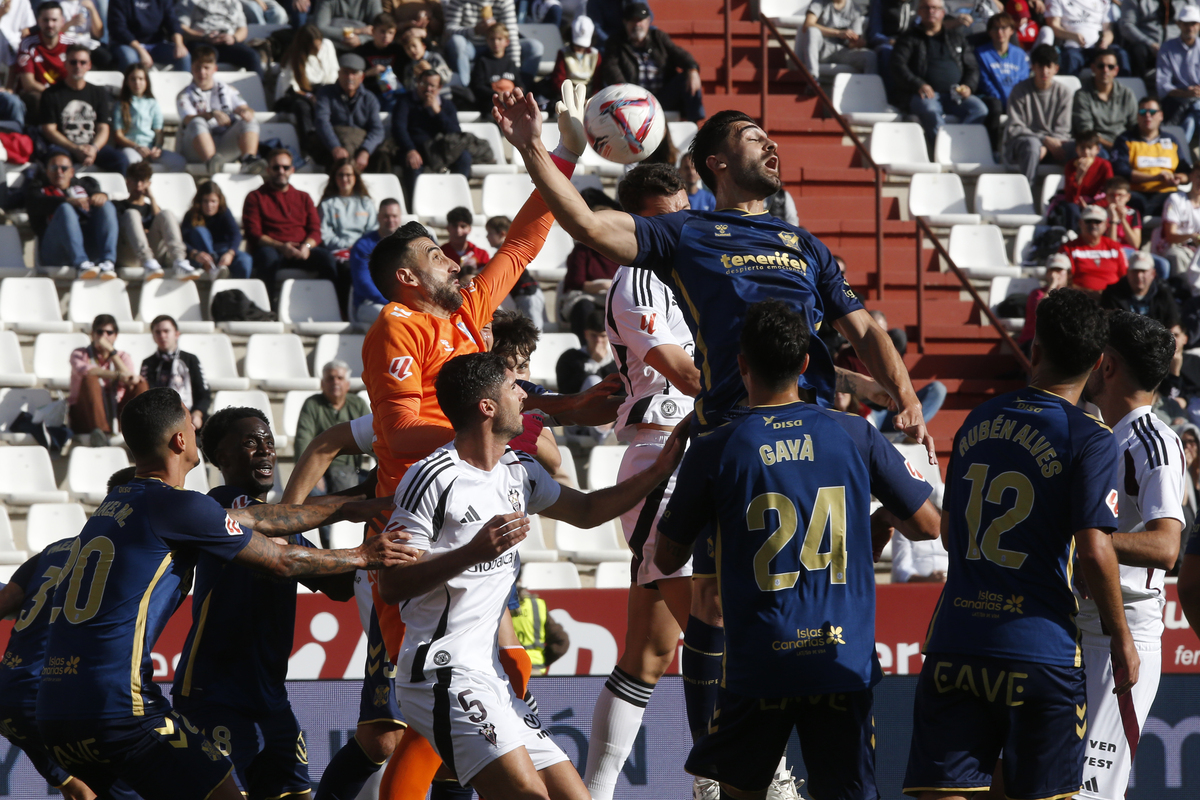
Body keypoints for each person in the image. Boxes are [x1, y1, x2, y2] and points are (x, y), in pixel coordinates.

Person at [359, 90, 622, 800]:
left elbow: (525, 242)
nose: (453, 258)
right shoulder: (397, 325)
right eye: (436, 256)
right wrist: (500, 428)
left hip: (481, 503)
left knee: (499, 676)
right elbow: (395, 432)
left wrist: (559, 150)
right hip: (418, 529)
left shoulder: (468, 313)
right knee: (406, 717)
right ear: (409, 279)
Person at [34, 387, 413, 800]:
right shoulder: (198, 503)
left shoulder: (116, 508)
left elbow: (279, 527)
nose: (265, 449)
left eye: (268, 440)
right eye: (190, 422)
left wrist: (362, 505)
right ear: (183, 441)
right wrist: (362, 550)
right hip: (176, 700)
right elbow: (279, 552)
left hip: (64, 705)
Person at [503, 91, 933, 453]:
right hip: (734, 434)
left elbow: (867, 332)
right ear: (717, 163)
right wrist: (539, 148)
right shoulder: (685, 232)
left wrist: (905, 394)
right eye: (753, 138)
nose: (772, 147)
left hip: (813, 432)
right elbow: (588, 224)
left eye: (769, 139)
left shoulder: (805, 245)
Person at [652, 299, 940, 800]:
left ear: (741, 365)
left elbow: (668, 557)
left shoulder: (717, 446)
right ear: (807, 364)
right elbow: (927, 524)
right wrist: (876, 519)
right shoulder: (854, 433)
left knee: (741, 792)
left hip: (758, 662)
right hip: (840, 659)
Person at [375, 350, 688, 800]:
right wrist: (474, 551)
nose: (524, 394)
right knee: (527, 796)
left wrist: (659, 470)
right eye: (512, 387)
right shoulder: (432, 477)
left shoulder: (518, 474)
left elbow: (586, 511)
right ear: (487, 407)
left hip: (491, 678)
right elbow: (391, 583)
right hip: (442, 670)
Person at [902, 288, 1137, 800]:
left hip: (957, 637)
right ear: (1100, 364)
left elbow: (948, 531)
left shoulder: (976, 421)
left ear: (1033, 349)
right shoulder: (1091, 439)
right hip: (1039, 648)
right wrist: (1122, 640)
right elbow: (1095, 550)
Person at [581, 162, 708, 800]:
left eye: (684, 207)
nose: (680, 222)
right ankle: (729, 780)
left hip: (691, 452)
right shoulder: (639, 277)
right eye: (666, 216)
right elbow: (684, 374)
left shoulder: (690, 266)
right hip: (668, 456)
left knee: (649, 651)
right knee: (717, 630)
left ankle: (596, 791)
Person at [172, 406, 359, 798]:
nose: (265, 451)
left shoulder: (277, 523)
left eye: (270, 443)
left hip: (269, 699)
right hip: (215, 696)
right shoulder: (221, 504)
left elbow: (340, 587)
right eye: (251, 443)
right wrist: (367, 497)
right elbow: (297, 552)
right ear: (221, 457)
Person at [1077, 311, 1183, 800]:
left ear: (1108, 365)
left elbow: (1166, 546)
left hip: (1120, 638)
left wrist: (1086, 540)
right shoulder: (1105, 434)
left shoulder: (1154, 439)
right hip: (1083, 626)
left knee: (1092, 792)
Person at [0, 538, 137, 800]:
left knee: (80, 791)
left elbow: (6, 600)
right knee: (128, 786)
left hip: (7, 693)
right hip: (48, 696)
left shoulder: (53, 549)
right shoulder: (118, 550)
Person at [243, 147, 339, 302]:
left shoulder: (304, 197)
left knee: (327, 259)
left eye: (285, 167)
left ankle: (331, 305)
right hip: (274, 249)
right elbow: (253, 233)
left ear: (292, 170)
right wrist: (281, 246)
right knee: (267, 258)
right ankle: (265, 308)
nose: (281, 171)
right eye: (276, 167)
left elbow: (315, 230)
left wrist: (306, 247)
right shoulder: (255, 197)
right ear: (268, 170)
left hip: (302, 249)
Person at [892, 0, 987, 145]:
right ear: (919, 12)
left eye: (935, 8)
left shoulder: (956, 38)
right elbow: (897, 66)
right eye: (926, 8)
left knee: (979, 109)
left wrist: (968, 86)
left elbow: (972, 67)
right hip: (924, 94)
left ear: (943, 13)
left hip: (955, 94)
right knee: (930, 110)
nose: (931, 11)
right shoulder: (908, 38)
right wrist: (918, 84)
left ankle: (958, 144)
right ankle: (942, 150)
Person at [598, 1, 704, 122]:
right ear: (625, 22)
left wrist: (692, 69)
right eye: (632, 20)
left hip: (663, 97)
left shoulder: (658, 37)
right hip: (633, 99)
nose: (637, 24)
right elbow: (611, 71)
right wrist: (631, 97)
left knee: (689, 77)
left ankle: (694, 126)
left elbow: (680, 54)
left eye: (641, 20)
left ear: (648, 21)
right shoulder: (615, 43)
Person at [39, 43, 128, 175]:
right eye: (73, 62)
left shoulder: (99, 93)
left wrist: (94, 148)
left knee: (120, 160)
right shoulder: (51, 94)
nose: (78, 66)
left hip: (91, 146)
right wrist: (75, 149)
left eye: (82, 62)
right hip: (63, 147)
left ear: (89, 65)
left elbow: (103, 128)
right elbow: (49, 130)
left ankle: (122, 195)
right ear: (66, 64)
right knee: (58, 164)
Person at [27, 151, 118, 279]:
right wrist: (68, 201)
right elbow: (35, 203)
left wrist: (101, 195)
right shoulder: (38, 189)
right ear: (47, 171)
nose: (59, 172)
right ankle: (81, 264)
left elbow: (116, 207)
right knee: (65, 209)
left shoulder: (85, 186)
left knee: (106, 206)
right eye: (54, 168)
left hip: (89, 247)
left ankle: (108, 262)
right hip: (55, 252)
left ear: (71, 172)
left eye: (64, 168)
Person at [178, 46, 265, 174]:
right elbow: (187, 119)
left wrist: (245, 112)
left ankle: (248, 160)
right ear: (192, 69)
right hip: (195, 148)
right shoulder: (184, 95)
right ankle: (211, 161)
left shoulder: (228, 90)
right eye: (198, 68)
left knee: (249, 121)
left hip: (223, 144)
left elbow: (244, 107)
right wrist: (211, 114)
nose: (202, 72)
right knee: (197, 122)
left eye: (206, 68)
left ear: (215, 69)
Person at [294, 360, 371, 501]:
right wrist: (311, 475)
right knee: (313, 498)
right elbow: (302, 440)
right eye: (330, 378)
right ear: (322, 384)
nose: (335, 382)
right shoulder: (312, 404)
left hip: (350, 471)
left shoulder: (358, 404)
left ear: (347, 384)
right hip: (319, 469)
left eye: (340, 378)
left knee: (382, 488)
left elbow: (374, 436)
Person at [68, 314, 148, 442]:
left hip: (117, 410)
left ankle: (141, 434)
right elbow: (86, 371)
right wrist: (116, 375)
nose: (103, 336)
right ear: (92, 334)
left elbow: (130, 379)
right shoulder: (80, 354)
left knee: (141, 384)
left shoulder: (122, 356)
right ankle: (100, 433)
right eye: (99, 332)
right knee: (91, 379)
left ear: (115, 336)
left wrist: (112, 352)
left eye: (109, 332)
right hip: (86, 413)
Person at [1003, 43, 1074, 187]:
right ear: (1033, 67)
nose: (1045, 71)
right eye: (1040, 66)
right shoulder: (1019, 91)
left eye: (1049, 66)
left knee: (1079, 148)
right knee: (1032, 145)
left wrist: (1047, 145)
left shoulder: (1064, 92)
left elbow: (1063, 129)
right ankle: (1026, 196)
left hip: (1054, 145)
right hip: (1023, 145)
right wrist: (1043, 140)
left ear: (1056, 69)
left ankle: (1074, 197)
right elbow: (1015, 127)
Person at [393, 68, 469, 202]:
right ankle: (416, 206)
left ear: (439, 88)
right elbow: (399, 128)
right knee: (413, 164)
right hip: (416, 149)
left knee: (464, 157)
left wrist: (437, 111)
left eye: (432, 86)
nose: (428, 89)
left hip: (441, 150)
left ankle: (458, 200)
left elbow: (455, 132)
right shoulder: (405, 101)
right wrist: (410, 150)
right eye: (424, 84)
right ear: (418, 83)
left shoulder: (446, 105)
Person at [1112, 95, 1192, 218]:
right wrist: (1154, 178)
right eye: (1143, 112)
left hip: (1166, 193)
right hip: (1135, 193)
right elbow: (1121, 171)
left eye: (1153, 112)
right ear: (1137, 116)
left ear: (1161, 116)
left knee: (1179, 200)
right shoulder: (1125, 140)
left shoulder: (1172, 140)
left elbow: (1186, 172)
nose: (1147, 116)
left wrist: (1179, 178)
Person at [117, 161, 195, 280]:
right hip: (128, 255)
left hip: (154, 258)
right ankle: (147, 261)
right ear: (127, 181)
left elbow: (160, 219)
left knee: (166, 214)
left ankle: (179, 261)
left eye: (142, 181)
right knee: (132, 214)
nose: (138, 185)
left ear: (149, 184)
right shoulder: (118, 205)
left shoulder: (151, 208)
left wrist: (152, 198)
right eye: (135, 180)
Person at [443, 0, 538, 88]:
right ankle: (464, 88)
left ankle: (524, 91)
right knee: (457, 41)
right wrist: (474, 30)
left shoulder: (504, 1)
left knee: (533, 47)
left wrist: (513, 71)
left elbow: (511, 35)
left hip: (497, 45)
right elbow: (449, 30)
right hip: (469, 47)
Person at [314, 52, 384, 170]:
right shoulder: (325, 93)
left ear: (361, 77)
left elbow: (377, 130)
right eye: (346, 72)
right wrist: (335, 147)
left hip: (360, 143)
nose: (350, 77)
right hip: (334, 144)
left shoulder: (369, 98)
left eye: (354, 73)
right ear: (339, 74)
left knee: (382, 157)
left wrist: (365, 151)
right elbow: (322, 122)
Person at [112, 63, 188, 171]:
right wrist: (136, 147)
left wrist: (157, 147)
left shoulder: (153, 103)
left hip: (150, 148)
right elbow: (118, 135)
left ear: (146, 81)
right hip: (131, 148)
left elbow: (158, 131)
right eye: (133, 79)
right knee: (133, 163)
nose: (137, 82)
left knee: (179, 162)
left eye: (141, 79)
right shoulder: (120, 104)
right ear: (127, 82)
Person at [141, 314, 210, 430]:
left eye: (166, 331)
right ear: (153, 336)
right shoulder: (148, 363)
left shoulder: (190, 360)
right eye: (157, 332)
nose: (162, 335)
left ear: (177, 334)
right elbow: (146, 396)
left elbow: (204, 393)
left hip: (190, 417)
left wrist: (198, 414)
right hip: (160, 422)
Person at [274, 24, 339, 144]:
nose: (319, 49)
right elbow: (291, 88)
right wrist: (309, 97)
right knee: (303, 107)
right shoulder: (294, 57)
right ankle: (309, 142)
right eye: (315, 46)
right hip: (297, 95)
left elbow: (333, 75)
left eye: (320, 45)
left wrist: (323, 94)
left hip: (322, 90)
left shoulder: (327, 46)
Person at [976, 13, 1029, 148]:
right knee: (995, 107)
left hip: (1016, 98)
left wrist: (1013, 99)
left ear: (1011, 30)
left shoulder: (1020, 55)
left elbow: (1023, 81)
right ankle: (992, 149)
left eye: (1004, 28)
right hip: (993, 98)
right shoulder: (981, 53)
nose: (1000, 32)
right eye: (995, 28)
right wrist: (1003, 99)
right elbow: (984, 81)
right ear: (989, 32)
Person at [347, 196, 404, 324]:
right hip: (370, 304)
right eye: (386, 216)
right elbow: (363, 283)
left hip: (402, 304)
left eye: (394, 216)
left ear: (400, 217)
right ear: (378, 217)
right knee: (393, 319)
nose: (390, 220)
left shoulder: (408, 244)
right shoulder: (363, 245)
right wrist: (393, 302)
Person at [15, 2, 78, 116]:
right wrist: (54, 95)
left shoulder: (71, 45)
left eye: (54, 20)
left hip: (64, 93)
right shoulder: (28, 44)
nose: (50, 24)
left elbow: (76, 76)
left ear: (62, 21)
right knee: (37, 99)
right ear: (38, 21)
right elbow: (28, 84)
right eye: (45, 20)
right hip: (39, 94)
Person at [183, 180, 253, 279]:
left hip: (222, 251)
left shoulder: (224, 212)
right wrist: (194, 254)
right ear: (199, 201)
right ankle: (213, 269)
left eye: (213, 201)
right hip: (200, 256)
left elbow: (236, 234)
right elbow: (183, 240)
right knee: (200, 231)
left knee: (245, 260)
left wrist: (230, 253)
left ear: (219, 201)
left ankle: (238, 288)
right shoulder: (191, 215)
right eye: (205, 201)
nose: (209, 206)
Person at [1073, 48, 1138, 154]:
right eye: (1101, 66)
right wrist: (1113, 147)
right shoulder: (1082, 94)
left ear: (1116, 70)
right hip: (1096, 145)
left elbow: (1135, 126)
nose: (1105, 70)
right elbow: (1086, 132)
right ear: (1093, 68)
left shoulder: (1126, 94)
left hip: (1123, 143)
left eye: (1110, 67)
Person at [177, 0, 264, 77]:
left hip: (228, 43)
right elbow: (181, 28)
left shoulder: (234, 3)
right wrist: (204, 37)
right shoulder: (189, 2)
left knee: (253, 56)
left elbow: (243, 29)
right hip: (201, 41)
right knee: (206, 57)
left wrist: (233, 38)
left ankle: (260, 91)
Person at [1044, 0, 1127, 76]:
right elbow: (1053, 25)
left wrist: (1105, 41)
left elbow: (1108, 30)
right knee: (1071, 59)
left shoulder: (1103, 1)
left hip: (1099, 48)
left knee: (1120, 54)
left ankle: (1122, 91)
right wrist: (1072, 36)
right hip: (1071, 47)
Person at [1050, 129, 1111, 231]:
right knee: (1072, 209)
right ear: (1076, 149)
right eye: (1082, 148)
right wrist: (1079, 176)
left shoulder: (1104, 165)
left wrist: (1090, 206)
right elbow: (1070, 197)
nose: (1086, 153)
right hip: (1075, 202)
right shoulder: (1071, 165)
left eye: (1090, 148)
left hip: (1096, 201)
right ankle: (1072, 238)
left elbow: (1109, 192)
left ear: (1097, 150)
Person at [1156, 6, 1200, 147]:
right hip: (1176, 102)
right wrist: (1185, 93)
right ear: (1179, 24)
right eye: (1186, 24)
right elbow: (1163, 85)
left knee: (1191, 118)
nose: (1190, 28)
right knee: (1195, 110)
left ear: (1199, 26)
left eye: (1193, 24)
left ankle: (1180, 153)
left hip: (1196, 101)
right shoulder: (1167, 48)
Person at [1100, 251, 1181, 326]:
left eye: (1143, 271)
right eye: (1135, 271)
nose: (1139, 276)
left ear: (1153, 273)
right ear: (1127, 272)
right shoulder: (1112, 294)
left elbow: (1173, 321)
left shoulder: (1163, 293)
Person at [797, 0, 876, 76]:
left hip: (841, 52)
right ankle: (812, 78)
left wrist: (857, 43)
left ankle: (867, 88)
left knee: (870, 57)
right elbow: (807, 25)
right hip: (821, 49)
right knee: (812, 31)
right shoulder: (819, 2)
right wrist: (838, 33)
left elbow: (852, 44)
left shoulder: (855, 8)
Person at [319, 158, 376, 261]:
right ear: (334, 178)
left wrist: (359, 246)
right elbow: (326, 235)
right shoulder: (327, 204)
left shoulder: (366, 202)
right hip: (338, 253)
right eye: (340, 175)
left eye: (348, 175)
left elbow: (373, 230)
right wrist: (346, 246)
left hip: (364, 251)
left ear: (355, 177)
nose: (344, 179)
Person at [108, 0, 190, 72]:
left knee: (184, 57)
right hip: (127, 44)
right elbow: (118, 29)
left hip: (155, 44)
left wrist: (179, 44)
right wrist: (140, 50)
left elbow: (173, 22)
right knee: (130, 59)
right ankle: (129, 89)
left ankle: (185, 89)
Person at [1062, 204, 1128, 291]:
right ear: (1080, 223)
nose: (1093, 225)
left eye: (1097, 221)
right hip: (1080, 299)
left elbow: (1126, 277)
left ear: (1106, 224)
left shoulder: (1115, 247)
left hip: (1112, 299)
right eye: (1088, 221)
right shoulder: (1068, 248)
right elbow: (1064, 280)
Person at [1151, 160, 1200, 276]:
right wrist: (1191, 236)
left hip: (1196, 250)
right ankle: (1184, 291)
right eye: (1199, 177)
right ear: (1191, 176)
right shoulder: (1176, 199)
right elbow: (1170, 236)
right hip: (1173, 248)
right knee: (1177, 256)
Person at [510, 587, 569, 675]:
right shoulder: (537, 605)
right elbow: (562, 641)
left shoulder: (497, 604)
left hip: (506, 667)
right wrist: (543, 658)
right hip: (534, 667)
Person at [469, 21, 524, 115]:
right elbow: (478, 86)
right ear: (487, 41)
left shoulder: (510, 63)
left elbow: (520, 85)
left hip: (511, 102)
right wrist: (496, 94)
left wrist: (515, 94)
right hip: (491, 104)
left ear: (507, 42)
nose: (496, 42)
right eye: (492, 39)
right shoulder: (483, 61)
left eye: (499, 39)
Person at [556, 309, 616, 394]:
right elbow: (566, 391)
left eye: (603, 336)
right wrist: (593, 363)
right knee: (593, 381)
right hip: (579, 405)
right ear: (586, 334)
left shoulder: (617, 360)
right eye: (594, 335)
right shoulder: (570, 358)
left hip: (612, 406)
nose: (598, 341)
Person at [1019, 255, 1070, 349]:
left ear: (1068, 274)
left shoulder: (1072, 295)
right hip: (1035, 342)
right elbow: (1041, 310)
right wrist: (1053, 284)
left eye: (1059, 269)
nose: (1055, 274)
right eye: (1052, 270)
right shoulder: (1037, 293)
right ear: (1047, 273)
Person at [357, 12, 405, 108]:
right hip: (370, 94)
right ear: (373, 31)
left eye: (390, 32)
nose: (386, 36)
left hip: (395, 93)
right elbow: (352, 77)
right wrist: (367, 73)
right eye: (382, 31)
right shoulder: (362, 51)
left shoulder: (399, 51)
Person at [1121, 0, 1179, 79]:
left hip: (1176, 48)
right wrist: (1150, 44)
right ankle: (1138, 86)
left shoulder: (1187, 2)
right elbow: (1126, 26)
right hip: (1147, 47)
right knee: (1138, 50)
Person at [546, 14, 600, 97]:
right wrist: (571, 97)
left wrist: (592, 98)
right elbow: (558, 80)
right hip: (567, 96)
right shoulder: (563, 53)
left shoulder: (595, 55)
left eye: (583, 47)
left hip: (589, 97)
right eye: (577, 45)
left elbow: (597, 82)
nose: (580, 49)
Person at [396, 24, 452, 96]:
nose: (412, 50)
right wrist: (416, 77)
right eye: (408, 48)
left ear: (423, 46)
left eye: (414, 46)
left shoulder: (434, 58)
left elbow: (447, 76)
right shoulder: (410, 68)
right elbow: (409, 89)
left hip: (442, 98)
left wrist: (431, 71)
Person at [312, 0, 383, 52]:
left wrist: (361, 39)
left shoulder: (373, 1)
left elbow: (379, 28)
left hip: (363, 48)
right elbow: (320, 28)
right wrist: (357, 30)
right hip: (332, 45)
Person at [59, 0, 110, 68]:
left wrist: (92, 9)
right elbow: (54, 32)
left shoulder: (90, 3)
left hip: (87, 42)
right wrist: (70, 23)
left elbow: (99, 34)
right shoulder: (58, 4)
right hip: (66, 42)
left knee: (106, 59)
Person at [442, 205, 490, 269]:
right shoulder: (440, 254)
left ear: (469, 229)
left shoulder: (482, 255)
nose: (458, 231)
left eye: (463, 226)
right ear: (447, 228)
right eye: (454, 226)